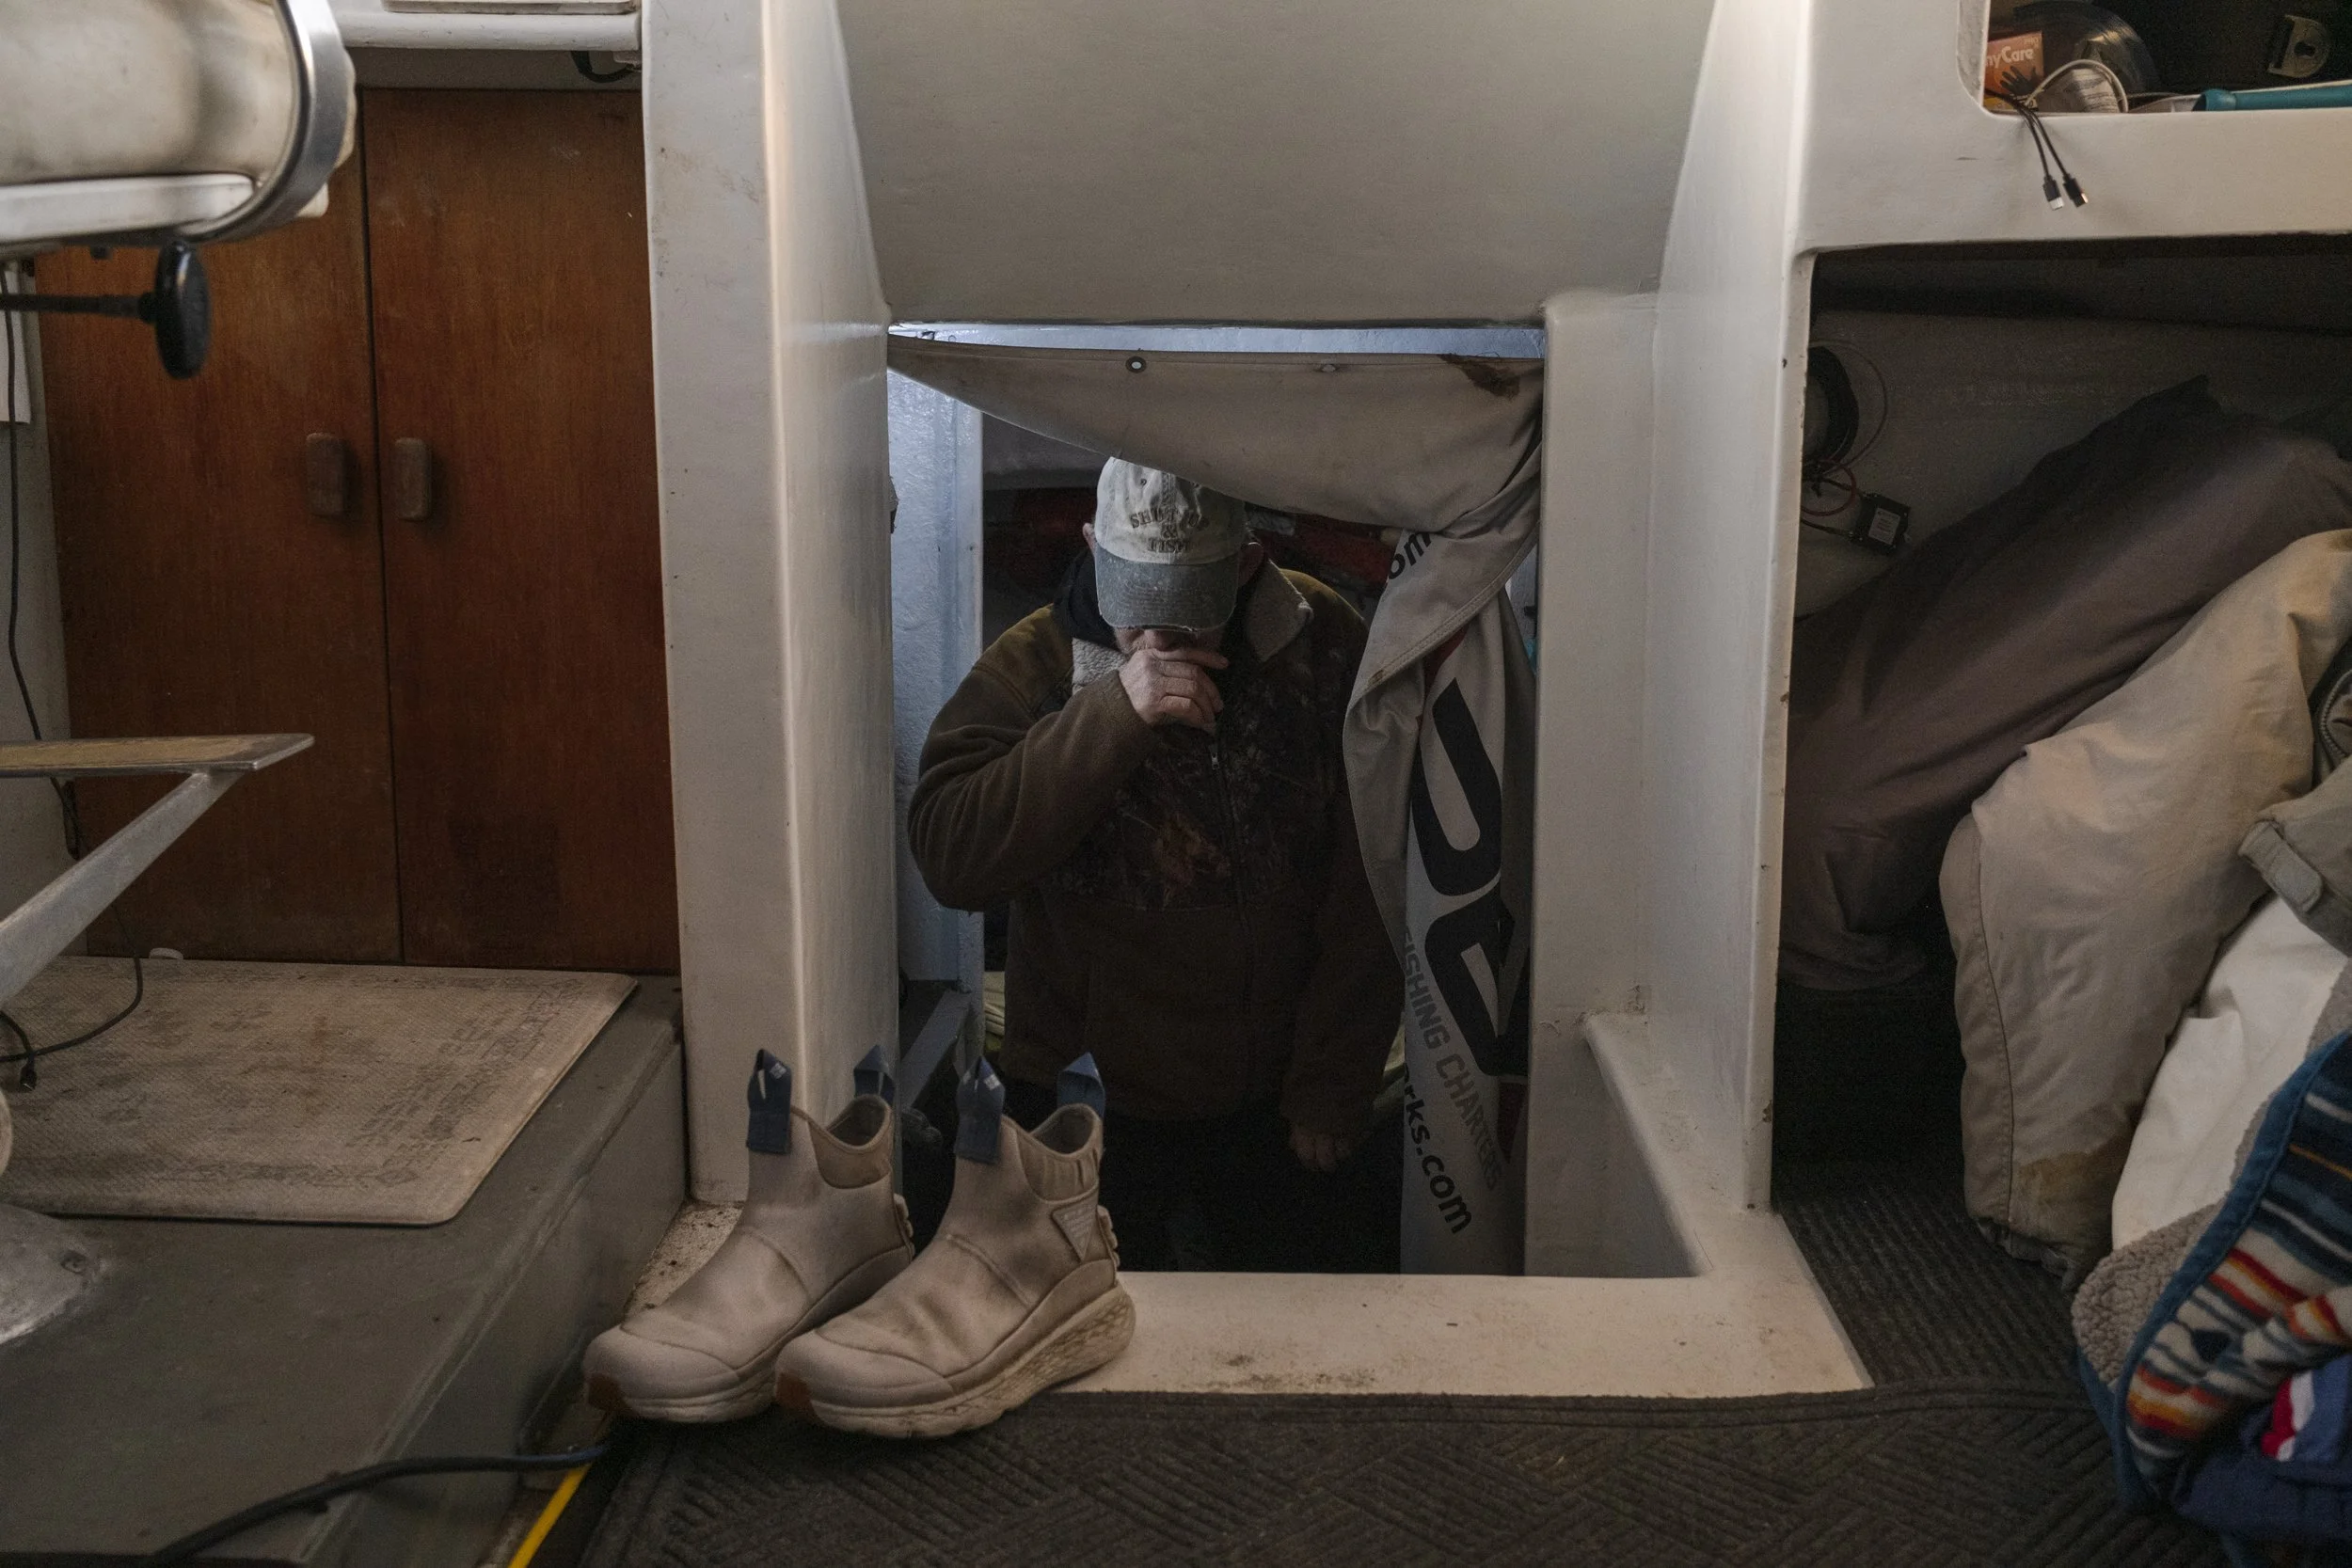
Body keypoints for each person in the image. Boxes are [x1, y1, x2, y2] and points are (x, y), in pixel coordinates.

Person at [908, 461, 1404, 1270]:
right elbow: (949, 856)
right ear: (1092, 549)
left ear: (1246, 564)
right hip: (1087, 1100)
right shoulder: (1033, 664)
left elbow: (1371, 870)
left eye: (1188, 617)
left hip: (1280, 1097)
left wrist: (1332, 1082)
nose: (1159, 642)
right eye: (1139, 613)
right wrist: (1110, 716)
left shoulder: (1322, 639)